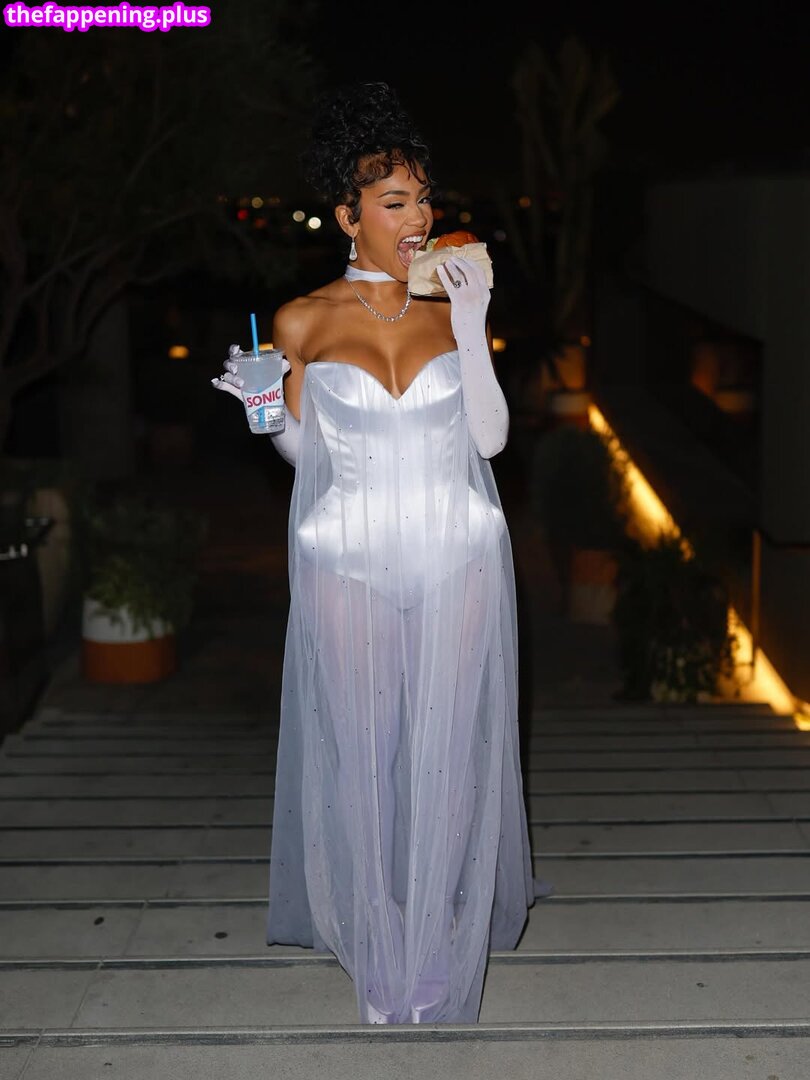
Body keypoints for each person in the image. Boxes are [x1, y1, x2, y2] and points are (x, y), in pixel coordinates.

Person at [213, 81, 535, 1025]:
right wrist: (262, 408)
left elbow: (490, 439)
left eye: (425, 199)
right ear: (350, 216)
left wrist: (472, 327)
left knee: (449, 757)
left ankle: (435, 936)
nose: (420, 218)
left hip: (456, 550)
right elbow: (306, 456)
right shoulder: (302, 319)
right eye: (397, 202)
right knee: (364, 757)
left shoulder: (452, 304)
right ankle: (380, 937)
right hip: (344, 556)